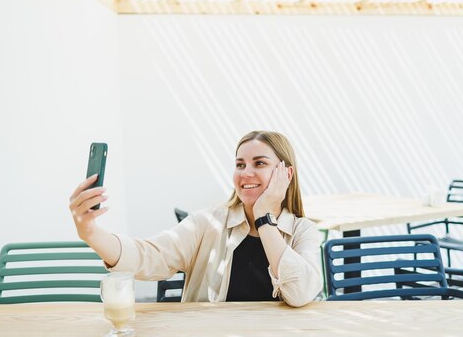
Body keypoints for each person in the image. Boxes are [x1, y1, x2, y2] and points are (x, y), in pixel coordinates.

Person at [69, 130, 323, 307]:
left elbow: (300, 293)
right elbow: (150, 255)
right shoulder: (207, 223)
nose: (246, 173)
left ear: (286, 173)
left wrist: (263, 219)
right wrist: (90, 233)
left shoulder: (304, 232)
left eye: (259, 163)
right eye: (240, 164)